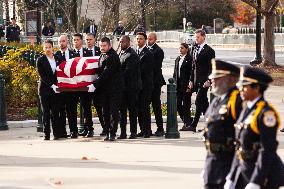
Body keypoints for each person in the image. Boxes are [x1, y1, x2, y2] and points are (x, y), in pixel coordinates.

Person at [224, 66, 284, 189]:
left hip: (265, 176)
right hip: (245, 170)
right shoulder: (247, 109)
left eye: (245, 86)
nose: (240, 89)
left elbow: (267, 150)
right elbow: (240, 147)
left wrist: (257, 180)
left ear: (256, 88)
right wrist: (232, 177)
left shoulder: (266, 113)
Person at [202, 59, 242, 189]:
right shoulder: (218, 100)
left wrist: (234, 174)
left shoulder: (237, 101)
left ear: (231, 79)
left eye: (218, 78)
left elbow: (242, 140)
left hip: (228, 163)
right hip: (213, 163)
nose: (213, 80)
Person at [87, 37, 124, 141]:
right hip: (105, 90)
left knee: (113, 112)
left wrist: (94, 84)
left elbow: (106, 73)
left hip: (114, 89)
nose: (102, 48)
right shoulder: (103, 56)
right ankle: (107, 131)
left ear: (109, 46)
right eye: (101, 46)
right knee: (105, 112)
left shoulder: (113, 56)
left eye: (104, 46)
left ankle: (112, 133)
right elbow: (100, 70)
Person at [182, 29, 215, 132]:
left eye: (198, 37)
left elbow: (212, 67)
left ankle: (193, 125)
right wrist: (191, 80)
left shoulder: (209, 50)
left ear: (204, 37)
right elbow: (193, 66)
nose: (196, 39)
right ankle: (211, 125)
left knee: (198, 101)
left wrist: (209, 80)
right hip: (195, 80)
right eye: (195, 37)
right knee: (204, 104)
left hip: (204, 81)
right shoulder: (193, 49)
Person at [36, 40, 60, 140]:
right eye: (45, 47)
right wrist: (52, 85)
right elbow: (42, 76)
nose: (48, 49)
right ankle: (46, 134)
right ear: (43, 48)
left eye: (49, 47)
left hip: (55, 90)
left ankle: (56, 134)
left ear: (52, 48)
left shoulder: (57, 58)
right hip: (45, 90)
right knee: (46, 112)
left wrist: (57, 86)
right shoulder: (40, 60)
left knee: (55, 112)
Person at [118, 35, 141, 139]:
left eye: (122, 42)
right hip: (123, 88)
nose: (120, 43)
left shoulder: (132, 55)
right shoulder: (121, 53)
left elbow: (128, 72)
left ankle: (133, 133)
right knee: (122, 112)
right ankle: (123, 133)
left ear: (128, 42)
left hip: (131, 88)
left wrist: (116, 76)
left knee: (132, 111)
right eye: (120, 41)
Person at [54, 35, 77, 138]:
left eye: (63, 41)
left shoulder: (74, 54)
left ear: (67, 42)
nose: (61, 43)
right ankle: (62, 131)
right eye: (59, 42)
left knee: (72, 110)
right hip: (61, 88)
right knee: (61, 111)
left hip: (71, 88)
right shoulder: (55, 55)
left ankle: (74, 131)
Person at [72, 33, 94, 137]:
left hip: (85, 85)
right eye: (74, 40)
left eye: (77, 40)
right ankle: (75, 130)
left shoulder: (88, 52)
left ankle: (89, 128)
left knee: (86, 108)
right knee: (73, 107)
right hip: (74, 86)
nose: (75, 42)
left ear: (81, 41)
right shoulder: (71, 54)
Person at [85, 33, 105, 136]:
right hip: (88, 84)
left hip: (100, 84)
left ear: (94, 40)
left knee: (100, 106)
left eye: (90, 39)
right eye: (87, 39)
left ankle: (105, 127)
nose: (88, 41)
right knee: (87, 107)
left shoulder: (100, 50)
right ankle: (89, 129)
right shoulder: (83, 52)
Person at [147, 32, 166, 137]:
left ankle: (160, 128)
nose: (148, 41)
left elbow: (156, 66)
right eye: (148, 39)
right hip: (148, 82)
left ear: (155, 39)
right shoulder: (147, 49)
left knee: (156, 105)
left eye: (150, 39)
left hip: (155, 82)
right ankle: (147, 129)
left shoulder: (158, 51)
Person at [136, 32, 154, 138]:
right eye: (137, 39)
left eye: (141, 39)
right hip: (138, 85)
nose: (139, 40)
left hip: (146, 85)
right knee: (139, 108)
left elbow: (146, 70)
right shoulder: (135, 52)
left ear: (145, 40)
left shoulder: (148, 53)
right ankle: (142, 129)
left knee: (145, 108)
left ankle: (148, 130)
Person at [173, 43, 193, 129]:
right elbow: (175, 72)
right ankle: (186, 121)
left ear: (187, 49)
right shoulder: (177, 59)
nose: (180, 49)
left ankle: (187, 123)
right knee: (177, 104)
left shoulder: (190, 59)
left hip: (186, 85)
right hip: (178, 85)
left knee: (186, 105)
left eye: (182, 48)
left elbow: (192, 72)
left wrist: (190, 83)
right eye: (179, 48)